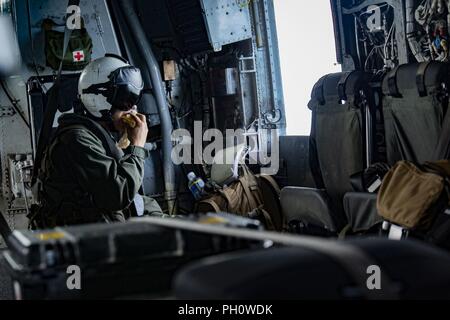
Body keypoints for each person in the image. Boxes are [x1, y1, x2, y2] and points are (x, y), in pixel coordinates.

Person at [29, 55, 162, 229]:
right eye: (124, 101)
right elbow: (119, 194)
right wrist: (137, 146)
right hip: (86, 241)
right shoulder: (77, 139)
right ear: (99, 100)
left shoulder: (92, 133)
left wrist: (126, 141)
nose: (131, 108)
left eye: (133, 100)